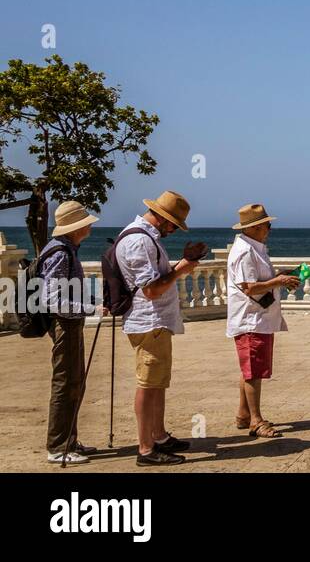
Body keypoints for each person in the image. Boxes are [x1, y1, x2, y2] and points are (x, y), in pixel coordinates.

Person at [117, 190, 207, 466]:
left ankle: (158, 435)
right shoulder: (139, 242)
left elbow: (153, 279)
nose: (173, 231)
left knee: (157, 383)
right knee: (148, 384)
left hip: (155, 321)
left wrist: (178, 265)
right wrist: (180, 269)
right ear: (163, 218)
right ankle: (145, 448)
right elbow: (152, 289)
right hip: (149, 320)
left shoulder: (143, 238)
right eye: (173, 225)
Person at [225, 203, 299, 438]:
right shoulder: (245, 251)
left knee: (250, 368)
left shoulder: (254, 247)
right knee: (252, 371)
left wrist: (279, 277)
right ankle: (256, 421)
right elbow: (249, 287)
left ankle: (244, 414)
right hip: (251, 319)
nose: (270, 228)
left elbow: (256, 281)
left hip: (257, 318)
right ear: (255, 227)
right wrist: (279, 282)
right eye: (267, 224)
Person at [38, 200, 102, 464]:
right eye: (85, 222)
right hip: (64, 325)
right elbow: (52, 300)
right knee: (66, 383)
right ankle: (58, 446)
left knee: (74, 381)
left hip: (68, 324)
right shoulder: (61, 253)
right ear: (76, 227)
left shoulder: (66, 249)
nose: (88, 226)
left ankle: (69, 440)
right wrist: (90, 309)